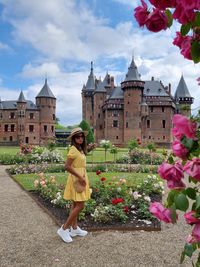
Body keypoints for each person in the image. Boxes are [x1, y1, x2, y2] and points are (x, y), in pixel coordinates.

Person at [57, 127, 91, 243]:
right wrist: (80, 177)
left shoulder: (79, 149)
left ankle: (74, 228)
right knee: (81, 205)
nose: (80, 138)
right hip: (77, 178)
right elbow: (67, 167)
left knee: (75, 203)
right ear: (73, 138)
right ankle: (64, 228)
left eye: (82, 136)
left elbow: (79, 161)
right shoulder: (73, 149)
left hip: (80, 176)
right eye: (77, 137)